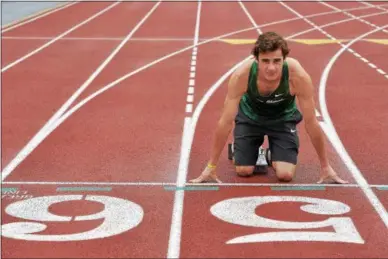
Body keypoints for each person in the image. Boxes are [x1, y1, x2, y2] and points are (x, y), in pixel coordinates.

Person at [189, 31, 348, 184]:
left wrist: (326, 167)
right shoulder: (242, 76)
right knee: (244, 170)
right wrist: (211, 167)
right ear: (256, 59)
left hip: (282, 120)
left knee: (285, 175)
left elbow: (312, 123)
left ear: (284, 59)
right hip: (250, 118)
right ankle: (242, 151)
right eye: (265, 61)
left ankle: (272, 153)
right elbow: (225, 121)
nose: (271, 68)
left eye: (277, 61)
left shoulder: (297, 76)